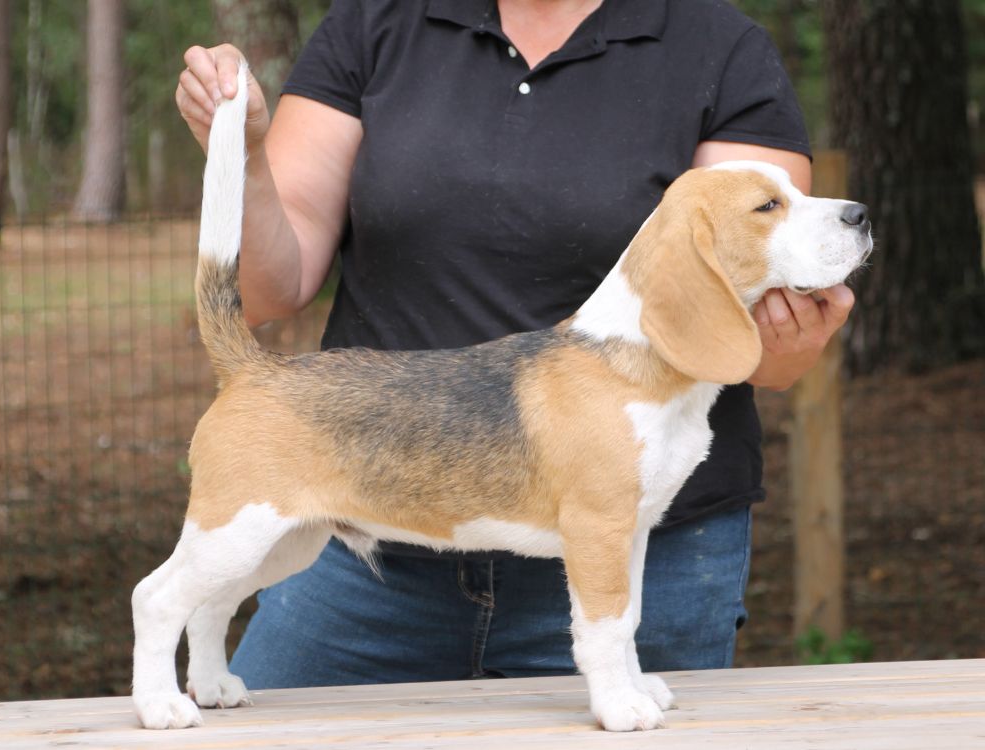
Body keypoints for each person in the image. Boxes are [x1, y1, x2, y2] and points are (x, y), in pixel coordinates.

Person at [175, 0, 855, 688]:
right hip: (366, 542)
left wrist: (792, 340)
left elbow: (750, 287)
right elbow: (266, 291)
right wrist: (243, 154)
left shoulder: (721, 45)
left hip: (654, 548)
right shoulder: (372, 24)